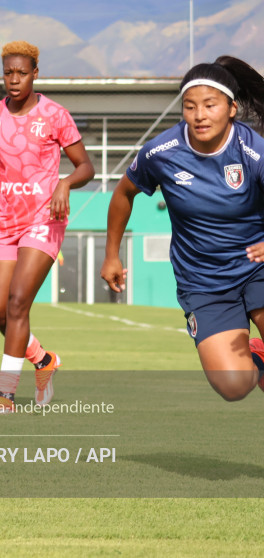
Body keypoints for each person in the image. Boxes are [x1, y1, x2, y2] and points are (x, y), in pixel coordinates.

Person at [101, 55, 264, 401]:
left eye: (209, 105)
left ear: (232, 108)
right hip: (203, 281)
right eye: (190, 106)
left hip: (258, 267)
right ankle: (258, 361)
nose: (199, 115)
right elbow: (123, 194)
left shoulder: (254, 150)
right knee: (235, 386)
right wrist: (111, 255)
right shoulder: (161, 152)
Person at [0, 40, 94, 413]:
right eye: (8, 72)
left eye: (21, 72)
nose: (14, 79)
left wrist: (64, 183)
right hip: (5, 225)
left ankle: (6, 394)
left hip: (44, 221)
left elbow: (85, 167)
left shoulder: (55, 115)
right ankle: (44, 360)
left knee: (18, 303)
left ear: (35, 73)